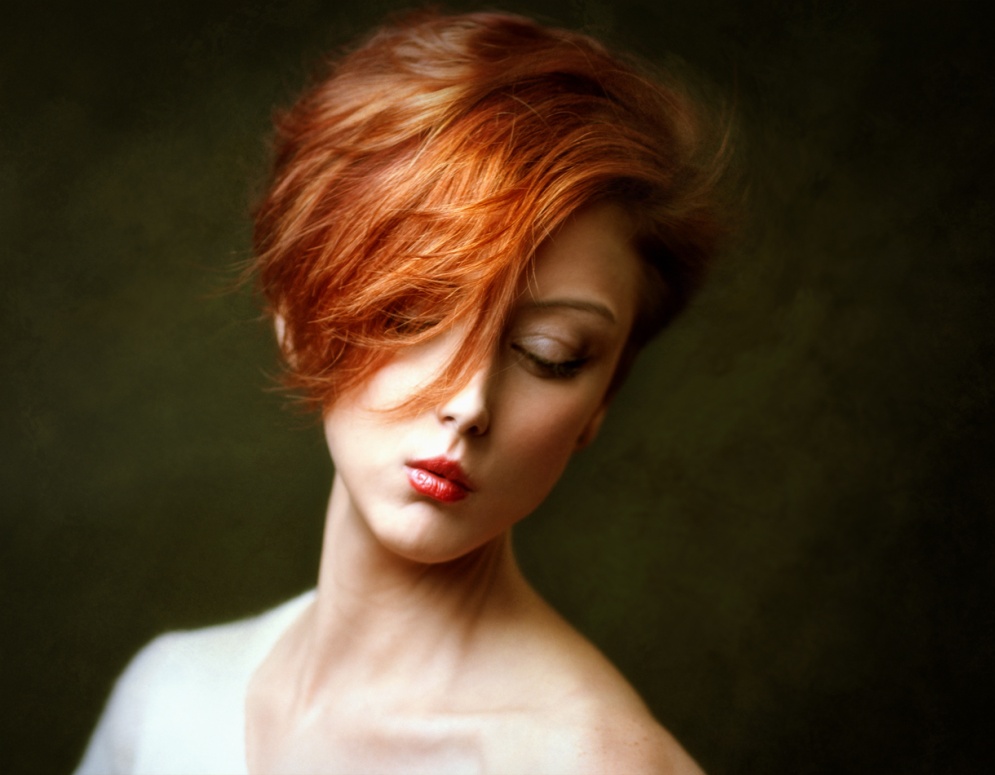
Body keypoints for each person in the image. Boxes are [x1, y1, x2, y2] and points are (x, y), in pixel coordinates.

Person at [75, 9, 729, 774]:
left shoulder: (595, 763)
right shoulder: (166, 700)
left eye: (548, 354)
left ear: (603, 397)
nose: (469, 402)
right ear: (297, 311)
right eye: (415, 314)